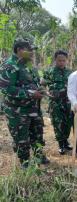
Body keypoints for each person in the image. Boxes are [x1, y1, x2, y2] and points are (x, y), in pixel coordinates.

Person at [0, 39, 49, 168]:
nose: (32, 52)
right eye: (30, 50)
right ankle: (25, 162)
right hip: (18, 111)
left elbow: (35, 82)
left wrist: (40, 89)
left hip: (33, 107)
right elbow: (6, 88)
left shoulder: (28, 64)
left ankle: (39, 156)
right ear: (20, 50)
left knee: (37, 133)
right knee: (22, 138)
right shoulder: (9, 66)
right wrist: (30, 94)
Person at [42, 50, 73, 155]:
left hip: (68, 102)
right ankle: (61, 145)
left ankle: (66, 141)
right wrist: (47, 93)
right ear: (55, 60)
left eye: (63, 60)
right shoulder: (49, 72)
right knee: (58, 123)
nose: (61, 62)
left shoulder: (70, 73)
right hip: (55, 103)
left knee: (68, 123)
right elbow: (42, 86)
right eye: (59, 60)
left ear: (66, 61)